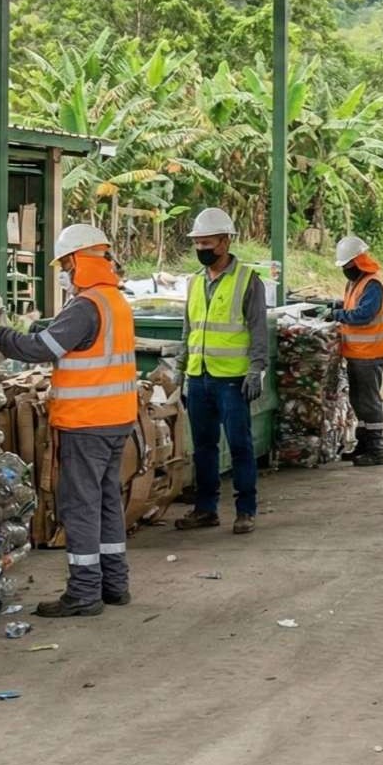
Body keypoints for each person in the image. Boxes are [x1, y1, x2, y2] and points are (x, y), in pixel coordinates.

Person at [0, 224, 135, 617]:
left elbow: (38, 350)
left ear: (79, 261)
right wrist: (35, 326)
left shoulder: (85, 305)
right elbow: (71, 340)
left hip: (87, 422)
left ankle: (83, 593)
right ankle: (115, 584)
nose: (62, 272)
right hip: (117, 420)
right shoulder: (113, 301)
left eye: (64, 264)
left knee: (80, 506)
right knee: (107, 502)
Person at [174, 207, 268, 535]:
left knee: (240, 445)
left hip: (232, 379)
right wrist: (180, 372)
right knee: (203, 447)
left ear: (226, 241)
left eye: (208, 243)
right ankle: (206, 509)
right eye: (197, 244)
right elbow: (188, 331)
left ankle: (246, 510)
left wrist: (256, 370)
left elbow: (259, 331)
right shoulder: (194, 283)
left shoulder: (248, 281)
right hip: (198, 378)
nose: (202, 249)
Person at [331, 234, 383, 468]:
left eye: (347, 266)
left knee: (369, 403)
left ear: (357, 262)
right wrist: (336, 306)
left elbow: (364, 315)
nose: (345, 270)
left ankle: (377, 450)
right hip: (357, 352)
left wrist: (337, 315)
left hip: (370, 353)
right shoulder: (355, 282)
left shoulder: (372, 283)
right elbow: (352, 306)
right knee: (359, 402)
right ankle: (364, 445)